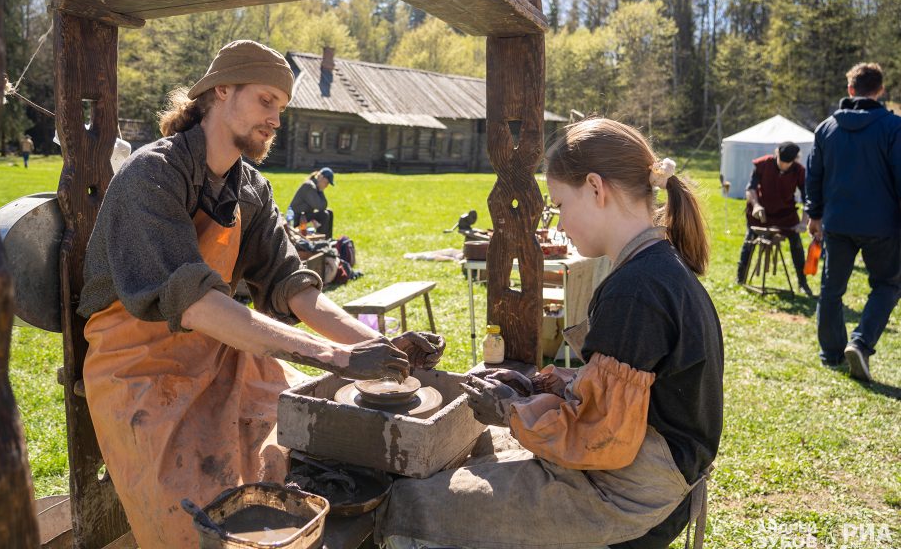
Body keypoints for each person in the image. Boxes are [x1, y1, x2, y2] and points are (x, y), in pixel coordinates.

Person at [76, 40, 444, 548]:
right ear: (220, 91)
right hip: (138, 368)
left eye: (282, 108)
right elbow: (196, 302)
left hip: (222, 353)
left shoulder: (249, 188)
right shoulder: (152, 176)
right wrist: (334, 355)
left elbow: (295, 288)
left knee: (307, 438)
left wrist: (379, 349)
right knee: (197, 523)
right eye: (266, 101)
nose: (276, 119)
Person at [377, 118, 723, 549]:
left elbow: (602, 440)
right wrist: (561, 385)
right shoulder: (656, 264)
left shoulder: (637, 290)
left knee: (413, 503)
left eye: (559, 205)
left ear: (596, 188)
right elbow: (644, 398)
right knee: (483, 453)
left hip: (630, 495)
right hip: (652, 474)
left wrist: (510, 411)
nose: (559, 222)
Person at [806, 62, 901, 382]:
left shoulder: (825, 128)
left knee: (831, 291)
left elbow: (814, 176)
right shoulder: (893, 127)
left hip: (837, 223)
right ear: (881, 90)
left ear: (850, 90)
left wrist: (814, 214)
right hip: (883, 226)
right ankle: (860, 343)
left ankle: (832, 353)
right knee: (888, 284)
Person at [736, 141, 812, 296]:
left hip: (785, 215)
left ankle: (803, 283)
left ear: (795, 160)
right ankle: (740, 277)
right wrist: (756, 205)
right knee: (749, 241)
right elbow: (750, 189)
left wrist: (804, 222)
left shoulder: (799, 171)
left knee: (796, 245)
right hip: (761, 214)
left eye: (787, 163)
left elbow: (808, 199)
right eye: (781, 161)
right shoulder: (763, 164)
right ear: (776, 154)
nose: (784, 166)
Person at [288, 167, 334, 237]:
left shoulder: (314, 186)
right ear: (321, 177)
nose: (326, 185)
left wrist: (320, 190)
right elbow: (320, 206)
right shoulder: (309, 186)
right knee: (324, 214)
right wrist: (321, 191)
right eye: (326, 182)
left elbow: (323, 205)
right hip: (297, 219)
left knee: (330, 212)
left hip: (303, 216)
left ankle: (328, 239)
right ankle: (320, 241)